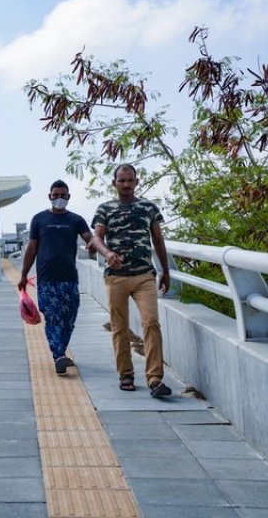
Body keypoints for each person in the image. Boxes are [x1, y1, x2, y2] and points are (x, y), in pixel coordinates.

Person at [19, 181, 122, 374]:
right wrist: (23, 275)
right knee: (53, 317)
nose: (59, 198)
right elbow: (32, 248)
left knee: (69, 318)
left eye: (63, 195)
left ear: (69, 197)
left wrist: (96, 247)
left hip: (69, 279)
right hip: (47, 279)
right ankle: (58, 354)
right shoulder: (39, 220)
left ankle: (61, 352)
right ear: (49, 196)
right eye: (56, 194)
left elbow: (89, 238)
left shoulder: (75, 220)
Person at [91, 164, 173, 398]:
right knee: (120, 328)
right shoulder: (105, 208)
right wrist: (107, 254)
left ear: (137, 182)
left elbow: (158, 239)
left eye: (130, 181)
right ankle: (126, 374)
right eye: (121, 181)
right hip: (116, 278)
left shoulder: (148, 208)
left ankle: (155, 379)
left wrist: (165, 271)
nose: (126, 185)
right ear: (114, 183)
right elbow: (96, 238)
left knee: (151, 323)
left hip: (144, 276)